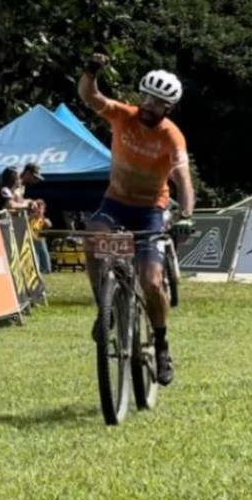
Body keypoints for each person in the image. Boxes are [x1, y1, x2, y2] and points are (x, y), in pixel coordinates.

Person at [77, 52, 195, 387]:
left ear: (167, 108)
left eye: (157, 102)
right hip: (115, 202)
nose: (147, 105)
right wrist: (91, 70)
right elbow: (90, 96)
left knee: (151, 281)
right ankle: (105, 308)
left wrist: (185, 214)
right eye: (145, 97)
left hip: (150, 210)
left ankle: (160, 344)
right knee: (91, 238)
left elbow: (184, 180)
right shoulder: (124, 116)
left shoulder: (171, 136)